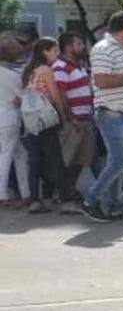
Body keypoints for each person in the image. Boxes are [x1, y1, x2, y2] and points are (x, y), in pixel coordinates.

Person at [84, 10, 123, 222]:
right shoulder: (103, 49)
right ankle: (90, 200)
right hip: (112, 114)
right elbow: (101, 81)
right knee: (120, 161)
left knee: (118, 162)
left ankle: (116, 206)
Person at [20, 37, 75, 213]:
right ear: (45, 51)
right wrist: (63, 114)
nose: (57, 54)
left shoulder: (29, 70)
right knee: (55, 159)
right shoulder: (46, 69)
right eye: (54, 50)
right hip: (45, 118)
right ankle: (66, 200)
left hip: (30, 119)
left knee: (35, 161)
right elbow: (54, 95)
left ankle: (35, 200)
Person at [52, 32, 95, 213]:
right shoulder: (61, 66)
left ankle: (70, 193)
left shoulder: (78, 65)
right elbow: (60, 95)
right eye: (78, 43)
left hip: (84, 119)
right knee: (68, 160)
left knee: (80, 159)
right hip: (74, 121)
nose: (82, 47)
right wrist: (70, 117)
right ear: (69, 46)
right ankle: (65, 198)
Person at [0, 36, 28, 210]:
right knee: (8, 155)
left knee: (20, 155)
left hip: (4, 117)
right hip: (10, 117)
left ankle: (25, 193)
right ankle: (2, 194)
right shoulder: (11, 75)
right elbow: (22, 98)